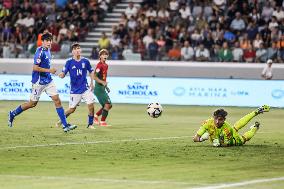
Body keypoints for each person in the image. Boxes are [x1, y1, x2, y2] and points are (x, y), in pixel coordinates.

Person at [8, 32, 77, 132]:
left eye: (50, 40)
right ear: (43, 42)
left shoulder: (48, 50)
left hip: (48, 81)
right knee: (32, 104)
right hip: (38, 82)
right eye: (47, 41)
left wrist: (49, 72)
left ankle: (65, 125)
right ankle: (13, 113)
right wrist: (49, 70)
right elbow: (35, 67)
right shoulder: (39, 52)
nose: (49, 42)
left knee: (57, 100)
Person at [57, 43, 96, 129]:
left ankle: (90, 124)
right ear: (72, 51)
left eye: (79, 48)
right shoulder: (69, 62)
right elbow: (63, 73)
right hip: (75, 90)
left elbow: (91, 71)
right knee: (72, 109)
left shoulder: (85, 61)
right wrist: (61, 75)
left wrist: (92, 83)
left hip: (85, 88)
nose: (78, 50)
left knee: (91, 105)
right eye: (75, 49)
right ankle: (61, 121)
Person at [193, 105, 270, 147]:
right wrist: (201, 139)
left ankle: (254, 128)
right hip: (225, 134)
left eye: (220, 119)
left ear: (224, 119)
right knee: (236, 127)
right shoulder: (208, 123)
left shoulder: (227, 129)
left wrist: (219, 143)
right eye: (215, 118)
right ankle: (256, 112)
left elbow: (227, 144)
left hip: (233, 139)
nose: (216, 121)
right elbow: (195, 138)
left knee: (243, 139)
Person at [93, 49, 112, 126]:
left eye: (106, 54)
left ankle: (95, 116)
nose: (105, 56)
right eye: (103, 54)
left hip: (102, 88)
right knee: (108, 104)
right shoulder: (99, 65)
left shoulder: (106, 65)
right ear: (100, 56)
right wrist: (102, 83)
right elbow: (94, 76)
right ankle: (102, 122)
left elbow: (103, 78)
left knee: (108, 105)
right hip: (98, 88)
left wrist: (106, 86)